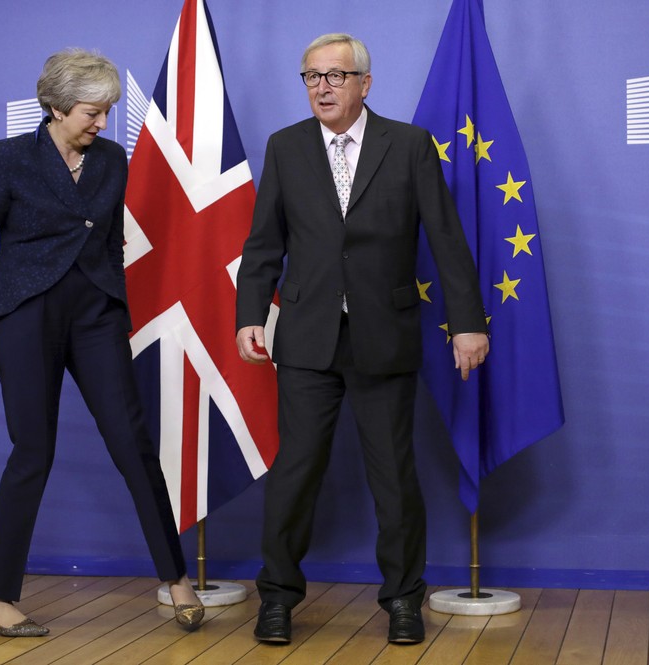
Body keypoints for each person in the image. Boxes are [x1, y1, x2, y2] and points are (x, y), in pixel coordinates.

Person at [235, 33, 490, 645]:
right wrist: (250, 313)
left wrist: (470, 323)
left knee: (395, 477)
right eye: (312, 77)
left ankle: (404, 601)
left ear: (364, 84)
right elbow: (264, 243)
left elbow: (447, 239)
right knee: (295, 473)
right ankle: (277, 600)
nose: (322, 87)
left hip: (384, 335)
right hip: (306, 338)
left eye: (335, 76)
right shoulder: (286, 147)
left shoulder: (408, 146)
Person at [0, 48, 204, 637]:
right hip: (25, 317)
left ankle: (177, 578)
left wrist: (114, 305)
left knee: (134, 444)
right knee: (33, 452)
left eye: (108, 112)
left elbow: (109, 242)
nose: (103, 125)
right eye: (92, 112)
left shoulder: (112, 160)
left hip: (96, 317)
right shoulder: (8, 158)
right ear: (56, 107)